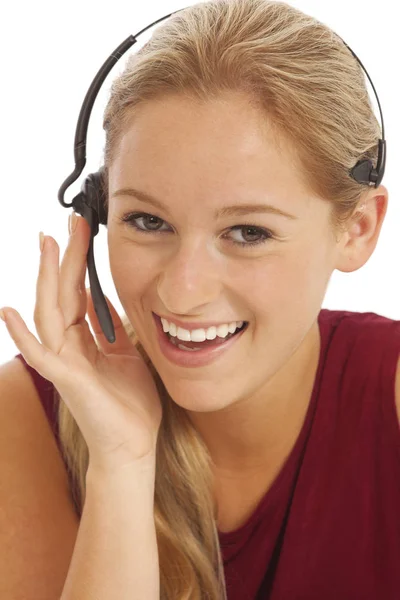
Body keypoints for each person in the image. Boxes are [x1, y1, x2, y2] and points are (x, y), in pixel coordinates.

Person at [0, 0, 399, 598]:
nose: (182, 291)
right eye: (147, 221)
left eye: (248, 233)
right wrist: (122, 463)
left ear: (358, 229)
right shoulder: (26, 416)